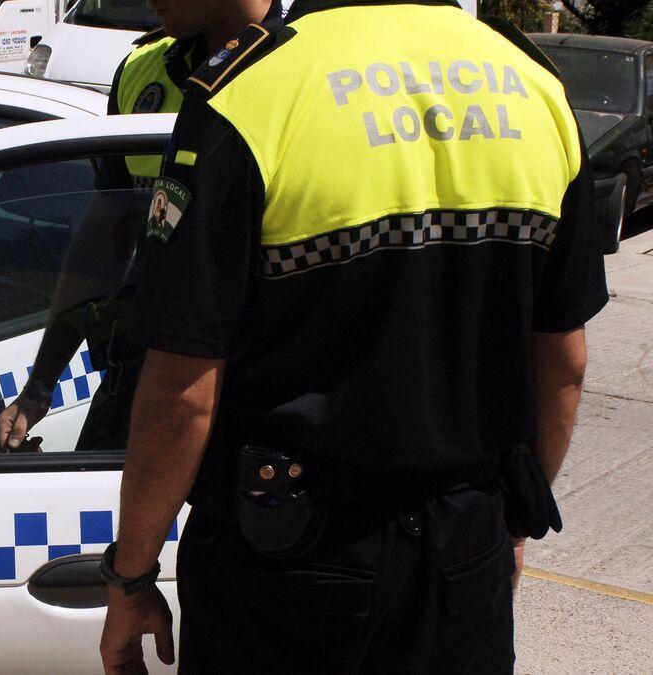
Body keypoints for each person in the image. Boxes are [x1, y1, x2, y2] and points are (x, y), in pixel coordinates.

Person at [96, 0, 608, 672]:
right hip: (464, 550)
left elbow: (180, 398)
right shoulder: (534, 89)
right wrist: (506, 521)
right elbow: (563, 364)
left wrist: (131, 576)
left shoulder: (251, 92)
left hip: (287, 566)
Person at [0, 3, 283, 454]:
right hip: (146, 379)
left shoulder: (303, 70)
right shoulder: (141, 69)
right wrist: (40, 385)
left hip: (262, 405)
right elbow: (103, 241)